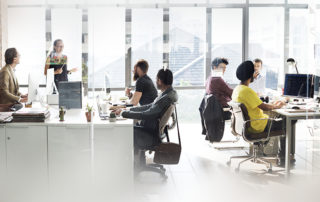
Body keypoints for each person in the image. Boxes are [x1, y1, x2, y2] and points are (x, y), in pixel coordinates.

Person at [232, 61, 294, 166]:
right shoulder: (246, 91)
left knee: (280, 117)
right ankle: (284, 158)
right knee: (289, 121)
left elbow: (258, 103)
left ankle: (283, 155)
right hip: (259, 126)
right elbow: (263, 106)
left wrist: (273, 104)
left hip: (247, 125)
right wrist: (276, 106)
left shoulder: (237, 89)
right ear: (250, 75)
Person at [115, 68, 178, 150]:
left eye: (156, 79)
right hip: (151, 130)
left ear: (159, 80)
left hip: (150, 134)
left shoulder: (166, 98)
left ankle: (129, 161)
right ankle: (136, 159)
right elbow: (149, 106)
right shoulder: (168, 93)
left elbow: (146, 114)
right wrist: (128, 110)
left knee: (124, 130)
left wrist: (123, 113)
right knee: (128, 127)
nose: (156, 81)